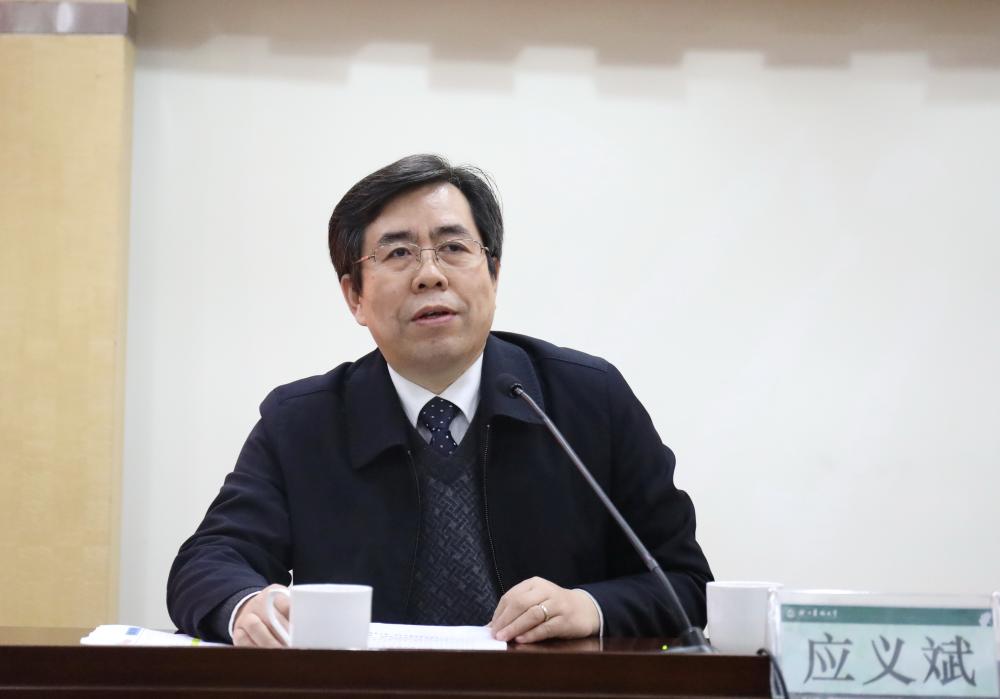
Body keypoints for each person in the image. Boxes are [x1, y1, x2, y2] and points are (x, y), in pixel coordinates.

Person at [167, 154, 713, 647]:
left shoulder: (587, 399)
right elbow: (208, 562)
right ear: (355, 296)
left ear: (493, 273)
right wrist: (246, 606)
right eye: (398, 253)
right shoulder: (302, 422)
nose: (430, 275)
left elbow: (684, 582)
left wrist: (589, 607)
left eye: (453, 248)